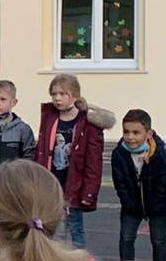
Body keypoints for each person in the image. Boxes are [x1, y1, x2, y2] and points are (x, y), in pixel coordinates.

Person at [34, 73, 111, 248]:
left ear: (74, 96)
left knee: (75, 228)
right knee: (48, 228)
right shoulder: (50, 118)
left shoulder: (86, 123)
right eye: (54, 94)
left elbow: (93, 162)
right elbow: (42, 151)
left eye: (62, 94)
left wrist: (89, 191)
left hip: (73, 184)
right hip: (51, 183)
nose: (57, 98)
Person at [110, 110, 166, 261]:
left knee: (158, 240)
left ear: (148, 133)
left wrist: (156, 206)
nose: (130, 137)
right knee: (126, 237)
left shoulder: (160, 155)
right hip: (132, 206)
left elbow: (164, 184)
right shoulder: (119, 154)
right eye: (126, 132)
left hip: (157, 207)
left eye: (136, 133)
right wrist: (129, 203)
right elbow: (120, 183)